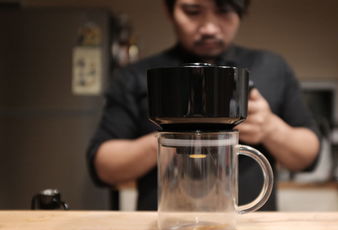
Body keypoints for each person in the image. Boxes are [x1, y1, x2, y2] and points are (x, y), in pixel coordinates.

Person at [87, 0, 320, 211]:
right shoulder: (136, 76)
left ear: (241, 10)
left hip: (251, 229)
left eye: (224, 10)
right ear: (169, 10)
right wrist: (172, 138)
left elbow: (309, 155)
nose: (209, 27)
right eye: (192, 11)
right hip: (167, 227)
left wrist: (270, 128)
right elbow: (102, 167)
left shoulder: (272, 67)